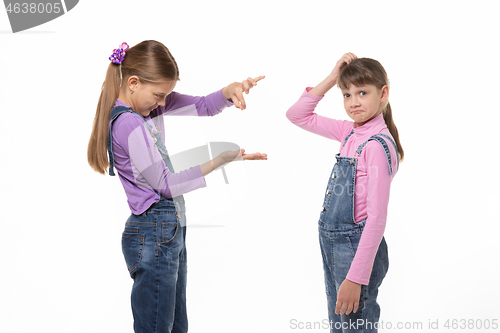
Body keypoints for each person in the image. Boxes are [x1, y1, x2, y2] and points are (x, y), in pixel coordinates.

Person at [87, 40, 267, 333]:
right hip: (153, 230)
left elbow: (202, 106)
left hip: (168, 228)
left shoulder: (146, 107)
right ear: (133, 83)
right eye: (159, 95)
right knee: (158, 327)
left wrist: (230, 90)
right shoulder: (129, 124)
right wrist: (219, 160)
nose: (162, 103)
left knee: (174, 325)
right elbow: (165, 185)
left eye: (166, 95)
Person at [286, 53, 403, 332]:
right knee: (341, 326)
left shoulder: (375, 145)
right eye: (346, 94)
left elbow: (376, 219)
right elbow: (296, 115)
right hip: (334, 246)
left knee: (354, 327)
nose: (353, 102)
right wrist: (331, 78)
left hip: (354, 250)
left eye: (362, 93)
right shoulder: (349, 132)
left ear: (383, 93)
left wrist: (356, 277)